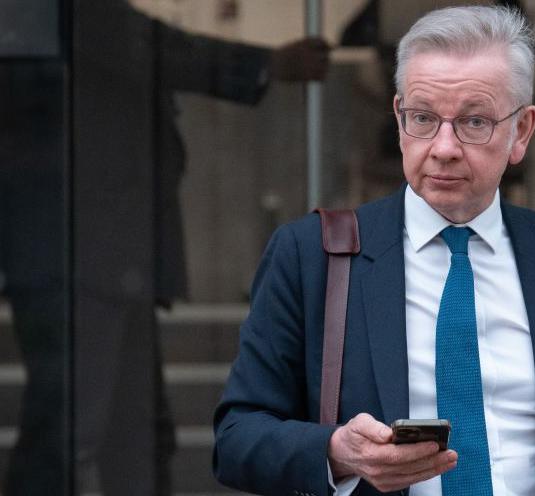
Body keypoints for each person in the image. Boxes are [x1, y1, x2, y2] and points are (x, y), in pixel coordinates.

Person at [214, 6, 535, 496]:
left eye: (474, 121)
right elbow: (235, 439)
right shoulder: (312, 256)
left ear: (521, 131)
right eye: (422, 118)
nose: (443, 147)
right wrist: (336, 450)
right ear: (398, 119)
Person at [1, 1, 329, 494]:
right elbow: (144, 45)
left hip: (102, 254)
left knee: (131, 435)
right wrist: (265, 65)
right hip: (79, 254)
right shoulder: (54, 14)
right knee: (73, 433)